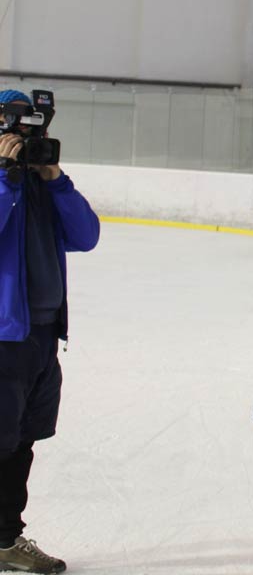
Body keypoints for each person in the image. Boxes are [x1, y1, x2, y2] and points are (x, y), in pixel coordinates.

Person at [0, 88, 100, 575]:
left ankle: (4, 539)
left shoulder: (42, 183)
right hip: (3, 337)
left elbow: (86, 236)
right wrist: (5, 178)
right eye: (13, 124)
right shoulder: (7, 182)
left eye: (31, 125)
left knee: (21, 442)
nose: (23, 136)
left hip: (40, 335)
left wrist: (55, 180)